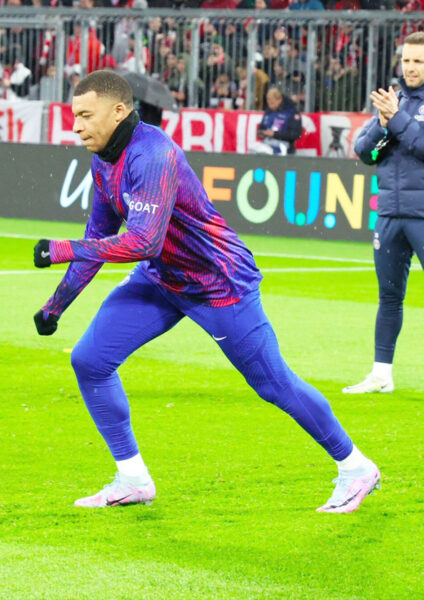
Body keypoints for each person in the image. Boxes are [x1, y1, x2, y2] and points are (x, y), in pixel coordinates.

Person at [33, 70, 379, 513]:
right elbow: (99, 238)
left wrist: (61, 250)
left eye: (85, 115)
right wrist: (56, 305)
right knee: (90, 360)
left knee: (272, 383)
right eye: (74, 116)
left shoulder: (152, 153)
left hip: (217, 282)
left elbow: (143, 241)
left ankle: (355, 467)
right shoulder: (103, 160)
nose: (76, 126)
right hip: (162, 279)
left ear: (118, 112)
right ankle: (133, 479)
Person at [344, 31, 424, 394]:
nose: (411, 67)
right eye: (407, 60)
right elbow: (364, 151)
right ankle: (381, 375)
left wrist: (396, 120)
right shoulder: (394, 100)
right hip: (390, 213)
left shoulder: (399, 108)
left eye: (418, 61)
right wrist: (382, 122)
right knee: (389, 297)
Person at [252, 87, 302, 155]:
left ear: (280, 100)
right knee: (253, 150)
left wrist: (275, 134)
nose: (270, 106)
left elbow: (295, 134)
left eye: (272, 103)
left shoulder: (292, 112)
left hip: (284, 146)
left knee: (265, 153)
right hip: (267, 143)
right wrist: (261, 133)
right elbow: (262, 127)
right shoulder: (269, 111)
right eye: (268, 103)